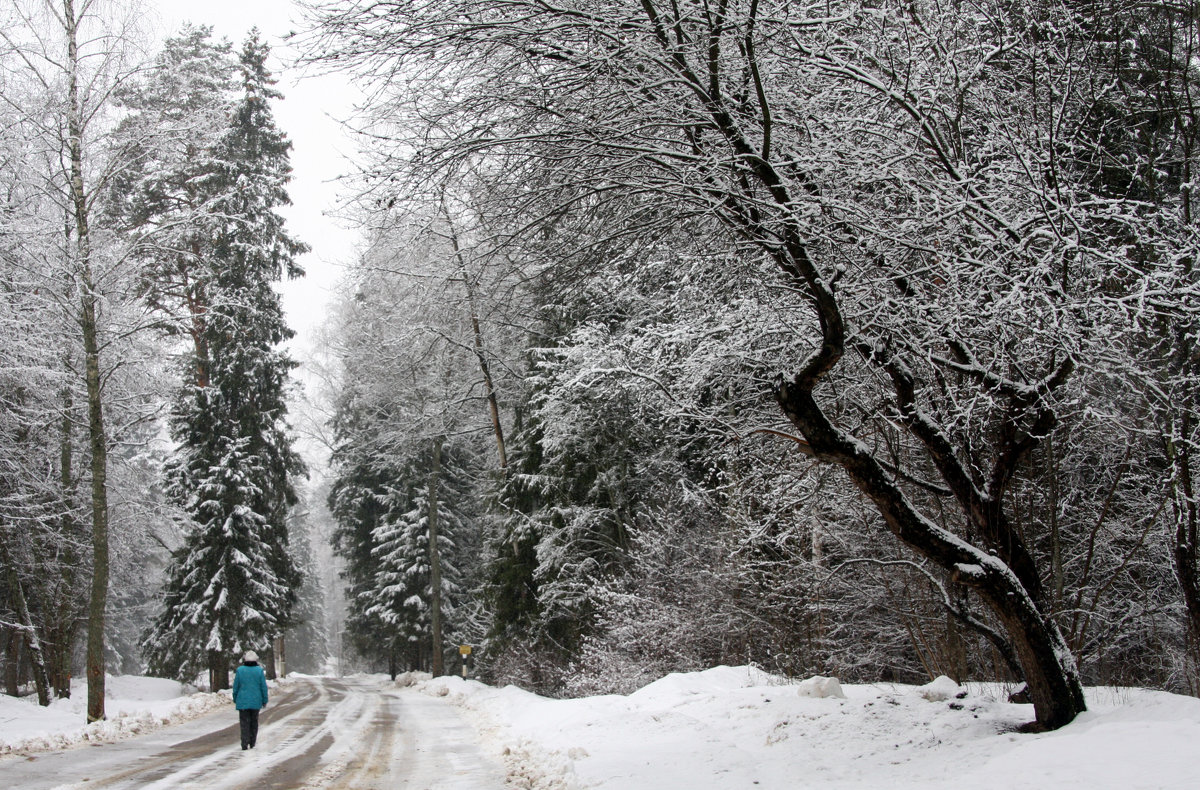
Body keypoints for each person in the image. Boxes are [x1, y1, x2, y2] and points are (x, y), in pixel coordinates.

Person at [232, 650, 269, 750]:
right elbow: (263, 687)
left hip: (242, 701)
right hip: (256, 701)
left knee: (244, 722)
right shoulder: (259, 671)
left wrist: (235, 697)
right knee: (254, 722)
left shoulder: (240, 670)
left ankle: (244, 742)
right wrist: (264, 699)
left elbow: (236, 686)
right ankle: (252, 742)